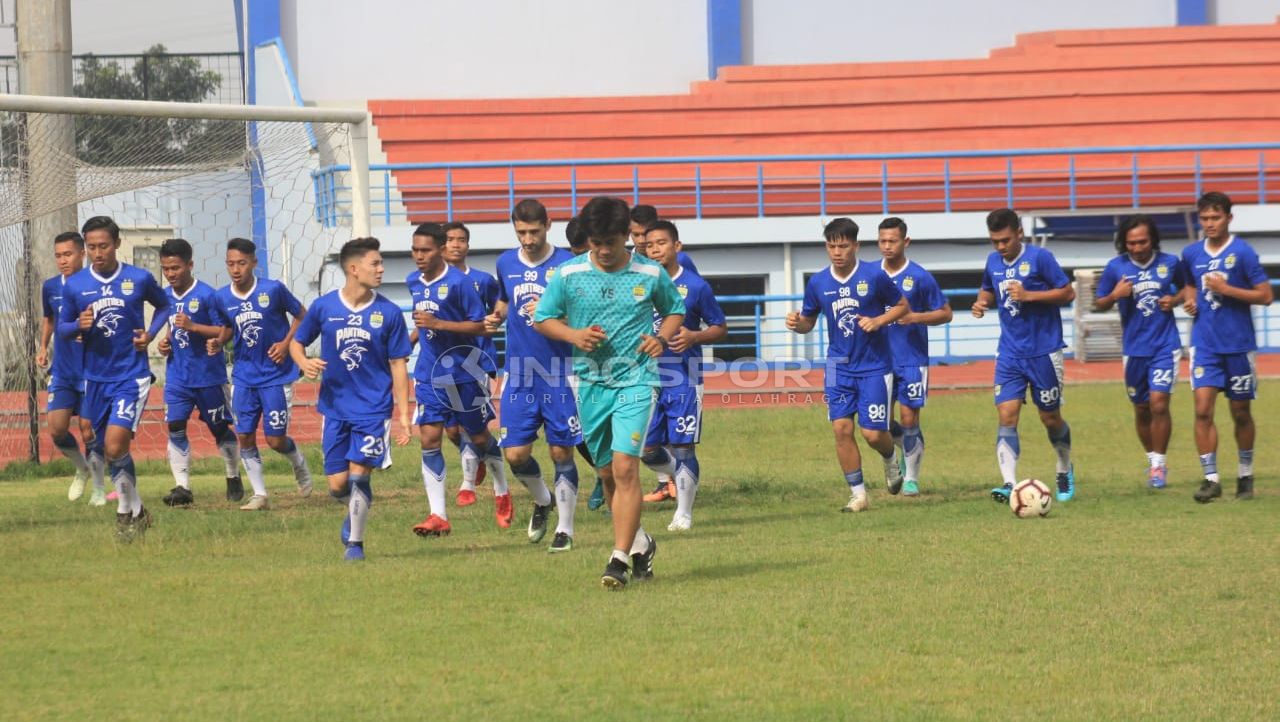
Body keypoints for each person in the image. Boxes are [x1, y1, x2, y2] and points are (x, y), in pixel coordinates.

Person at [534, 196, 684, 589]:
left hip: (637, 380)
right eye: (595, 242)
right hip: (590, 384)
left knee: (625, 467)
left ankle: (617, 559)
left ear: (626, 238)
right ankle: (640, 544)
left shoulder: (649, 273)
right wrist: (574, 335)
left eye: (610, 242)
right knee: (606, 474)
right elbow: (543, 317)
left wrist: (661, 338)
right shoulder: (568, 275)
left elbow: (674, 310)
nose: (602, 250)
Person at [290, 237, 412, 561]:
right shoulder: (324, 307)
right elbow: (296, 343)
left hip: (373, 409)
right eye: (376, 263)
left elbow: (399, 365)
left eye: (381, 263)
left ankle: (355, 544)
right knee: (337, 485)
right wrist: (304, 363)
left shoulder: (388, 312)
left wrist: (402, 416)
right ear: (353, 269)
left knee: (359, 476)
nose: (382, 269)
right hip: (334, 408)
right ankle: (354, 513)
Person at [57, 216, 170, 541]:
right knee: (111, 452)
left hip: (131, 377)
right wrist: (78, 325)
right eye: (91, 247)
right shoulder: (76, 285)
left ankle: (124, 515)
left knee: (114, 444)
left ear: (117, 244)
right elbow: (63, 330)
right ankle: (138, 510)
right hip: (94, 379)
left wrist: (149, 334)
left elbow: (163, 305)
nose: (97, 252)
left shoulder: (138, 278)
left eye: (103, 246)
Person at [785, 218, 907, 512]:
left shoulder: (874, 276)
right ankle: (858, 494)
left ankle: (891, 459)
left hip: (875, 366)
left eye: (843, 246)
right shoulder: (818, 282)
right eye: (831, 246)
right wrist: (797, 323)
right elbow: (809, 322)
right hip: (838, 365)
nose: (837, 252)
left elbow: (903, 305)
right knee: (841, 429)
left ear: (856, 246)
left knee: (873, 434)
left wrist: (878, 320)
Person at [485, 199, 583, 552]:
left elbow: (583, 317)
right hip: (519, 373)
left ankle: (566, 530)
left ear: (548, 225)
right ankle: (543, 501)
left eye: (534, 231)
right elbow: (504, 301)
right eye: (521, 232)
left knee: (561, 453)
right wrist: (495, 317)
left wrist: (550, 315)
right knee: (515, 455)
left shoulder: (569, 265)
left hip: (560, 372)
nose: (527, 239)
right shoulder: (505, 262)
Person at [406, 222, 510, 537]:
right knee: (430, 438)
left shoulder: (462, 284)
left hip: (466, 371)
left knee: (478, 437)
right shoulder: (413, 281)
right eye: (415, 250)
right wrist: (410, 339)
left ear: (439, 250)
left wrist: (440, 323)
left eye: (425, 250)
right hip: (428, 373)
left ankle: (502, 489)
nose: (418, 256)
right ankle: (438, 514)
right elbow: (425, 321)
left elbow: (481, 327)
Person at [971, 208, 1077, 504]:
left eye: (1005, 240)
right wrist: (981, 303)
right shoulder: (993, 261)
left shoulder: (1040, 258)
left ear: (1019, 232)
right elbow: (987, 290)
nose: (1001, 247)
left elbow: (1067, 293)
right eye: (995, 241)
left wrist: (1030, 295)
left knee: (1050, 417)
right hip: (1009, 353)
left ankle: (1064, 468)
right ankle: (1009, 483)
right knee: (1006, 415)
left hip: (1044, 351)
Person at [208, 238, 314, 510]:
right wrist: (219, 341)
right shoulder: (222, 297)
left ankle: (298, 462)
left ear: (254, 263)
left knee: (275, 439)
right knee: (244, 435)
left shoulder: (273, 290)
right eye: (231, 263)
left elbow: (302, 315)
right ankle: (260, 494)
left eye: (241, 263)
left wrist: (287, 342)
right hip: (243, 376)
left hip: (275, 377)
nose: (236, 269)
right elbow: (228, 328)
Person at [1180, 191, 1272, 502]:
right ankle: (1211, 479)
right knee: (1202, 410)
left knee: (1240, 412)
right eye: (1204, 218)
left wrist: (1226, 289)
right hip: (1204, 345)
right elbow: (1189, 283)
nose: (1209, 223)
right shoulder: (1191, 253)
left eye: (1215, 218)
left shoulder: (1243, 253)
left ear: (1228, 219)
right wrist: (1190, 300)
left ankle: (1245, 474)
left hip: (1237, 344)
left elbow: (1265, 296)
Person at [643, 220, 727, 530]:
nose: (655, 249)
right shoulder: (636, 285)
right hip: (644, 380)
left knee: (683, 447)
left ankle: (684, 512)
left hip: (684, 378)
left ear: (677, 247)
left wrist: (694, 337)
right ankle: (675, 477)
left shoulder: (695, 286)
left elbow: (720, 327)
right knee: (645, 448)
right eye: (649, 245)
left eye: (661, 243)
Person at [1094, 215, 1186, 489]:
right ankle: (1151, 457)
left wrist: (1176, 299)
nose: (1137, 247)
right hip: (1134, 349)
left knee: (1159, 403)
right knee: (1142, 408)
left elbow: (1186, 287)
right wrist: (1115, 295)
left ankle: (1158, 465)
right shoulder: (1115, 267)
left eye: (1142, 241)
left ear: (1152, 239)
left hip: (1164, 345)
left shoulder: (1170, 263)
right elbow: (1099, 303)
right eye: (1131, 243)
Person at [154, 238, 242, 507]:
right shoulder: (164, 297)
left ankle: (233, 475)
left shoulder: (208, 295)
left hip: (208, 377)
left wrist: (194, 327)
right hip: (177, 377)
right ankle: (182, 488)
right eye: (166, 269)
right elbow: (172, 327)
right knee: (175, 426)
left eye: (176, 268)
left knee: (219, 429)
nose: (170, 274)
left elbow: (225, 330)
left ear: (190, 265)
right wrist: (165, 343)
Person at [876, 217, 952, 496]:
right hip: (878, 360)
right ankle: (909, 449)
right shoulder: (871, 274)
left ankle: (912, 478)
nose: (887, 246)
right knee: (878, 422)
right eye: (882, 241)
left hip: (911, 358)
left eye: (892, 241)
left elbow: (946, 312)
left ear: (905, 242)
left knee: (909, 419)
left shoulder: (920, 276)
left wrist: (916, 317)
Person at [36, 231, 102, 505]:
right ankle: (81, 469)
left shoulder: (94, 284)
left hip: (90, 369)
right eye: (58, 255)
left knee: (88, 429)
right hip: (63, 370)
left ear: (82, 254)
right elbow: (49, 319)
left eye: (68, 254)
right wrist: (43, 347)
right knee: (56, 429)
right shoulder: (51, 287)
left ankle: (99, 487)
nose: (63, 260)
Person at [441, 221, 499, 506]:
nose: (455, 244)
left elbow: (499, 309)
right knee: (452, 430)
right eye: (450, 239)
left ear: (468, 245)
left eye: (460, 239)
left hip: (475, 360)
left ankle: (467, 485)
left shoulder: (483, 280)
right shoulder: (430, 281)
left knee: (470, 424)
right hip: (443, 363)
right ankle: (481, 457)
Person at [564, 216, 614, 513]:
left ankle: (612, 478)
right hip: (566, 362)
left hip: (614, 364)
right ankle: (601, 472)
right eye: (577, 251)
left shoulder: (617, 270)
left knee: (612, 427)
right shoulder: (564, 270)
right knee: (576, 427)